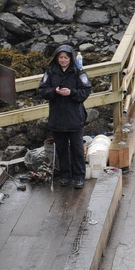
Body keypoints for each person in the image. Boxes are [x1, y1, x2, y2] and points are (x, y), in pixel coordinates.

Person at [38, 44, 91, 188]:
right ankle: (65, 176)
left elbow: (86, 91)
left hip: (75, 116)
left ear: (71, 58)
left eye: (66, 57)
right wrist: (54, 91)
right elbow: (42, 90)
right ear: (56, 58)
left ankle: (79, 176)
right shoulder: (50, 71)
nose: (63, 60)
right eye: (60, 57)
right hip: (57, 116)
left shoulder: (78, 72)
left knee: (77, 148)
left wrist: (72, 92)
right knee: (61, 148)